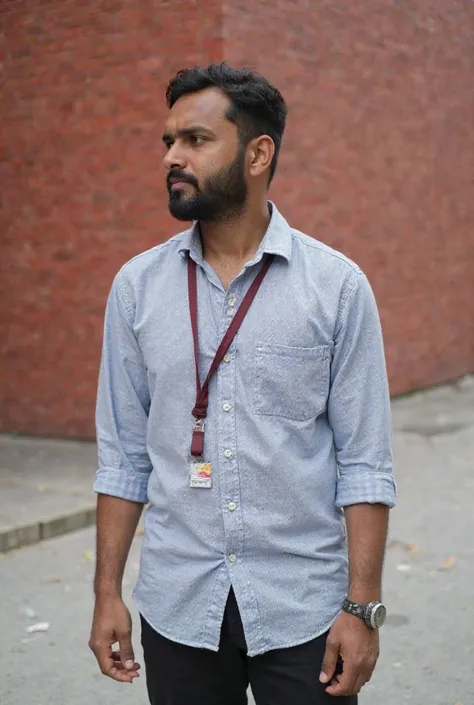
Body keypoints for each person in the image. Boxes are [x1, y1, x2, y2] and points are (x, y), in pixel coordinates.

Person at [89, 63, 397, 705]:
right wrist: (107, 594)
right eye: (168, 141)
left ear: (259, 153)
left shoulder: (337, 288)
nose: (173, 157)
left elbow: (364, 462)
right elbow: (123, 457)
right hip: (178, 606)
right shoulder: (136, 289)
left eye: (195, 140)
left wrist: (362, 609)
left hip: (304, 609)